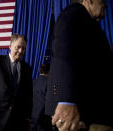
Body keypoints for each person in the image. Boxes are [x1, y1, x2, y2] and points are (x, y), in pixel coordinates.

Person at [44, 0, 113, 131]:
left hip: (94, 114)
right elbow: (65, 53)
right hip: (80, 116)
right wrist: (66, 101)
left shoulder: (92, 25)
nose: (106, 4)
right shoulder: (75, 13)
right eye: (103, 0)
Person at [0, 34, 33, 131]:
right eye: (18, 47)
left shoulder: (27, 68)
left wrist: (28, 119)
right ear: (10, 45)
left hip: (18, 121)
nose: (20, 51)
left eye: (23, 48)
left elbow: (28, 95)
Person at [31, 64, 50, 131]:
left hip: (31, 117)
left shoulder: (33, 81)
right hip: (43, 119)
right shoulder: (50, 84)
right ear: (49, 71)